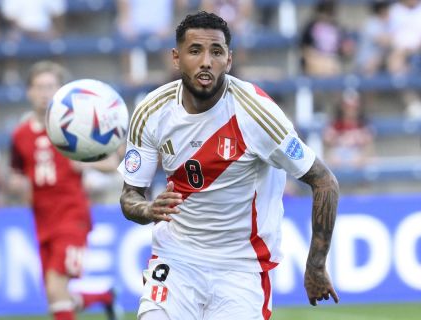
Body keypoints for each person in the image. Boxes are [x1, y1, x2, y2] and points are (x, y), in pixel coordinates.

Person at [118, 11, 340, 320]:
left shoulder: (257, 114)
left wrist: (316, 265)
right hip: (178, 258)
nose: (206, 60)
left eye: (216, 51)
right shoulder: (150, 112)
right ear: (176, 57)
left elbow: (325, 181)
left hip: (241, 267)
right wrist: (148, 209)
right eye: (195, 50)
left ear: (229, 60)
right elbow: (130, 196)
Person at [9, 60, 119, 320]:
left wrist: (83, 162)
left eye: (51, 86)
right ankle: (103, 297)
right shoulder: (20, 135)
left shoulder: (76, 127)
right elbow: (16, 173)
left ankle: (102, 297)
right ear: (29, 92)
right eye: (39, 86)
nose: (45, 92)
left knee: (55, 286)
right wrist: (17, 184)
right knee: (55, 297)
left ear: (61, 91)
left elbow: (112, 162)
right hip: (42, 220)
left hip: (72, 217)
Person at [323, 89, 375, 169]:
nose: (351, 110)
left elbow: (369, 147)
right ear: (342, 107)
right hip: (339, 157)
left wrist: (363, 157)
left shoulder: (364, 124)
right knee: (332, 159)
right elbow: (327, 146)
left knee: (370, 161)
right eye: (348, 107)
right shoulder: (335, 124)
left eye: (354, 107)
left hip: (358, 157)